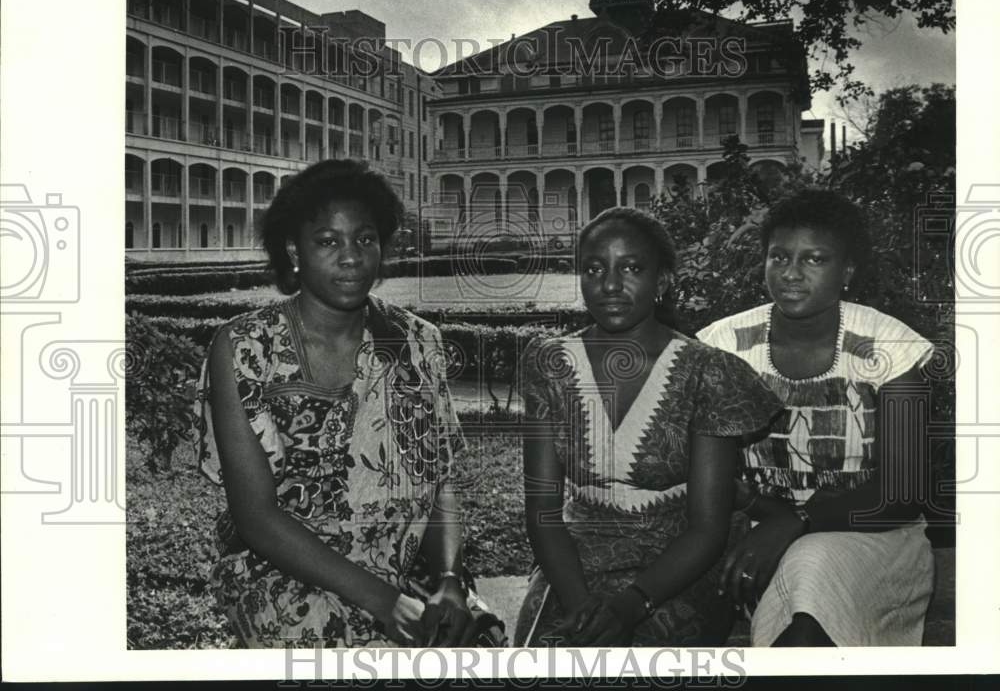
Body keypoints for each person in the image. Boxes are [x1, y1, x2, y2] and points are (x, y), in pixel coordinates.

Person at [193, 159, 503, 648]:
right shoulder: (245, 349)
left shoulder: (417, 343)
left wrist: (448, 579)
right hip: (288, 575)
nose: (352, 257)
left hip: (409, 572)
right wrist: (381, 601)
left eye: (364, 239)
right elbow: (256, 518)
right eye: (328, 241)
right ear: (295, 251)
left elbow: (439, 478)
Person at [514, 207, 785, 647]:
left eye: (632, 268)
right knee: (550, 657)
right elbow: (543, 513)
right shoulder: (550, 365)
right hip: (577, 562)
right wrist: (580, 605)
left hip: (678, 566)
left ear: (661, 282)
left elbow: (706, 529)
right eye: (594, 269)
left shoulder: (706, 372)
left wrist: (630, 605)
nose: (610, 285)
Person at [697, 188, 936, 647]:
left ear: (846, 272)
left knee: (812, 571)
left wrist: (798, 520)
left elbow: (904, 492)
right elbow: (709, 475)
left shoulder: (889, 347)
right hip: (753, 534)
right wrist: (769, 519)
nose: (790, 273)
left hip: (875, 537)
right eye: (779, 257)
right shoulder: (723, 346)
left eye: (814, 259)